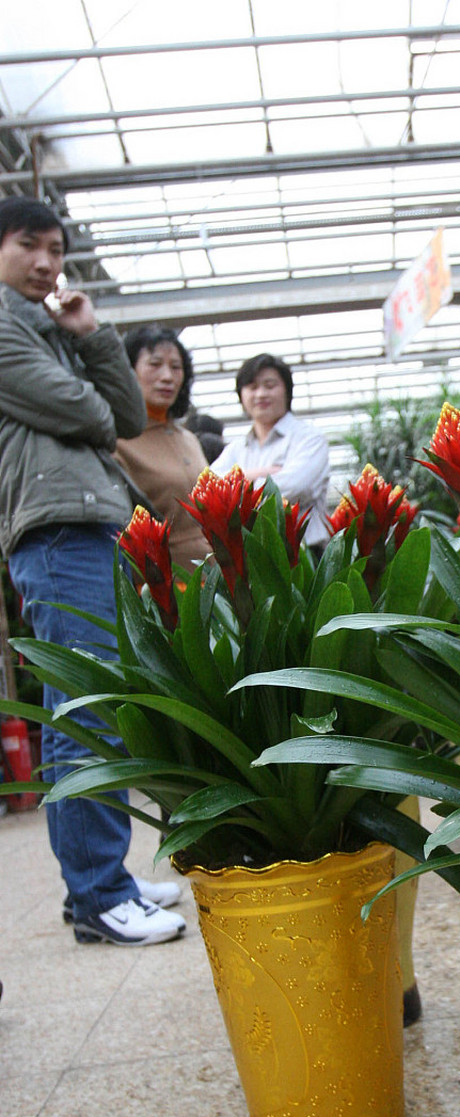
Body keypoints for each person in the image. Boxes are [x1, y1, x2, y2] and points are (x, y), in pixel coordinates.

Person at [0, 196, 185, 945]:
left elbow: (126, 414)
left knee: (103, 704)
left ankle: (102, 880)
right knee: (87, 714)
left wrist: (92, 333)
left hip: (88, 523)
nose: (46, 263)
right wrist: (83, 381)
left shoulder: (47, 328)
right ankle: (98, 894)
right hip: (56, 528)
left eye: (54, 248)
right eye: (27, 246)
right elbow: (89, 415)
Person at [212, 353, 330, 552]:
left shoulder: (310, 438)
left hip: (306, 553)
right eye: (252, 386)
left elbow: (295, 487)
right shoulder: (236, 448)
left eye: (269, 385)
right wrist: (260, 475)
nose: (260, 394)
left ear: (287, 391)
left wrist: (239, 483)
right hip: (254, 555)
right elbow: (212, 487)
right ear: (241, 395)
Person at [117, 325, 210, 572]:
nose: (167, 376)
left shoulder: (189, 439)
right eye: (155, 364)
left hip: (214, 576)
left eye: (176, 367)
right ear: (128, 371)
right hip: (162, 582)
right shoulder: (119, 441)